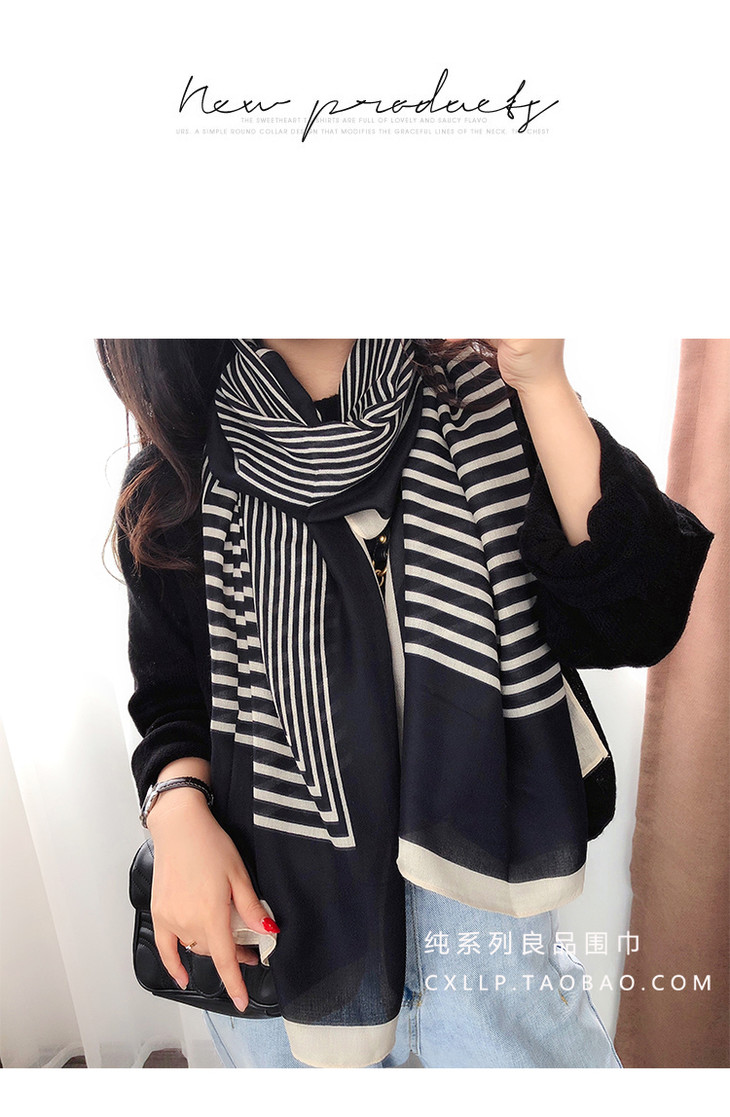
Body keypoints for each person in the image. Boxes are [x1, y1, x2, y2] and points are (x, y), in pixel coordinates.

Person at [99, 338, 714, 1068]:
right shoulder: (178, 476)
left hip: (491, 947)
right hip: (285, 939)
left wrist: (546, 385)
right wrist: (176, 815)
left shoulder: (496, 410)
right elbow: (170, 695)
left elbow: (640, 613)